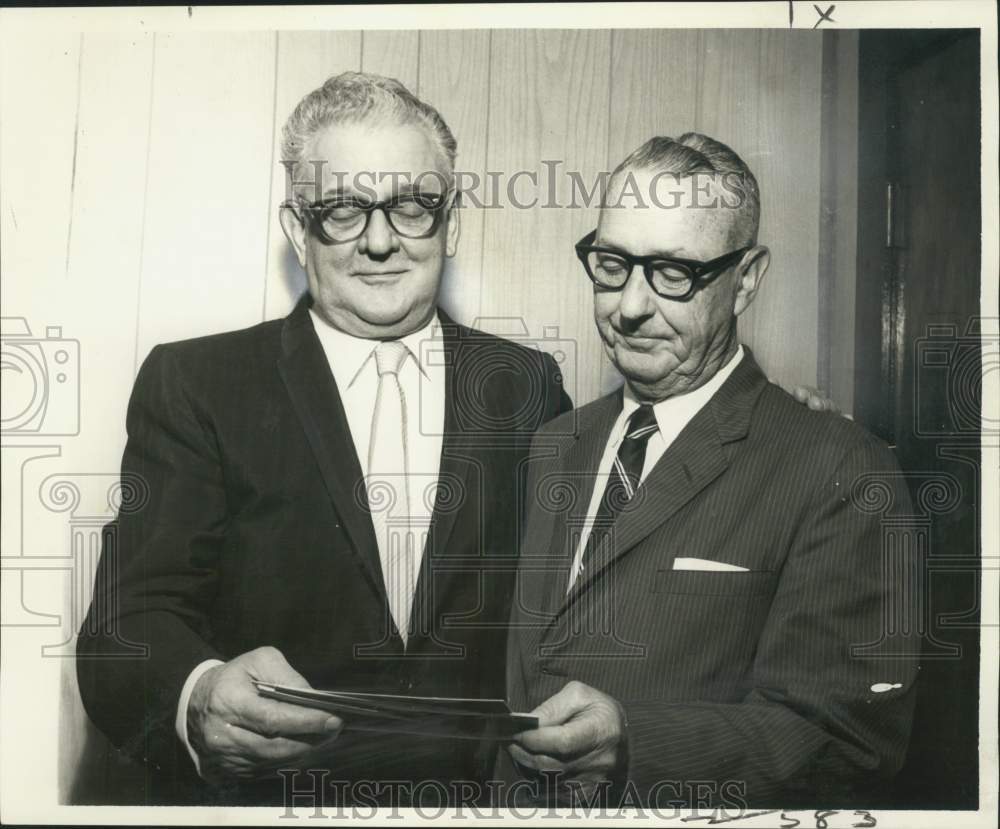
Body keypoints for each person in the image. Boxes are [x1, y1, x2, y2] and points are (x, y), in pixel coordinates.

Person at [76, 72, 570, 806]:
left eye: (410, 206)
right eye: (343, 209)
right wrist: (200, 690)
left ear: (452, 221)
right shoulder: (198, 382)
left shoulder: (526, 385)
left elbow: (592, 578)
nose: (379, 240)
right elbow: (125, 625)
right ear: (296, 230)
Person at [501, 133, 917, 808]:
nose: (629, 306)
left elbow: (849, 737)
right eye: (612, 263)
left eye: (673, 272)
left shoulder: (840, 467)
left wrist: (635, 744)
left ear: (747, 278)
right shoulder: (556, 441)